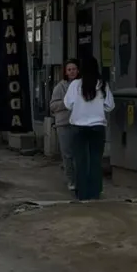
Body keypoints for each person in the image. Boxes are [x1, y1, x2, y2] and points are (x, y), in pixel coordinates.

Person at [64, 56, 115, 201]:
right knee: (95, 160)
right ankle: (95, 192)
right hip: (98, 127)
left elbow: (67, 104)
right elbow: (110, 106)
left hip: (78, 127)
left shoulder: (75, 85)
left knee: (80, 160)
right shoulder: (102, 84)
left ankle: (82, 193)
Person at [49, 59, 80, 191]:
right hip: (64, 124)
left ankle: (80, 179)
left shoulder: (82, 85)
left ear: (78, 71)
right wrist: (67, 102)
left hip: (80, 123)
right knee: (67, 154)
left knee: (79, 154)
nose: (72, 71)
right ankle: (71, 180)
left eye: (74, 69)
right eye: (69, 69)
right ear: (65, 72)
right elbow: (53, 106)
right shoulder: (60, 87)